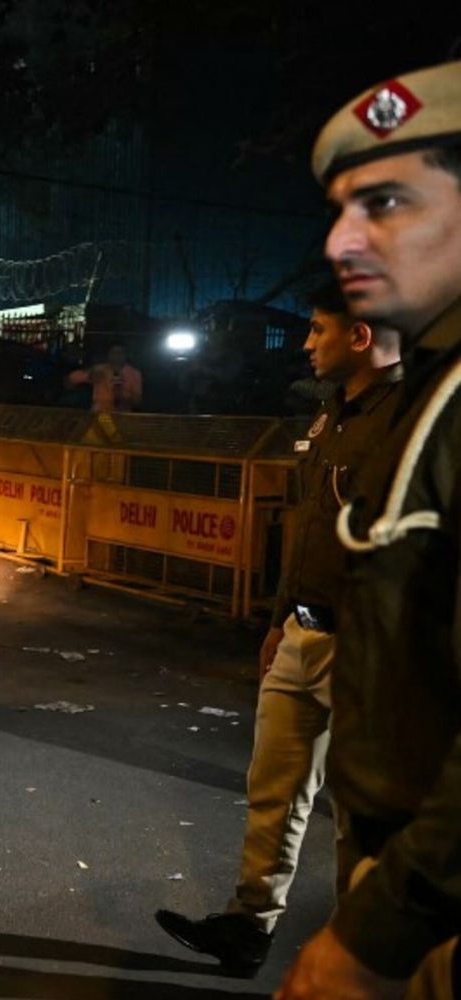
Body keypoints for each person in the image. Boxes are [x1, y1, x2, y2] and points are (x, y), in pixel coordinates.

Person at [278, 60, 461, 1000]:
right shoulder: (433, 392)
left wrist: (377, 933)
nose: (345, 239)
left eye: (386, 202)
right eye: (342, 207)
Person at [155, 285, 403, 976]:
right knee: (275, 790)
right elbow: (308, 530)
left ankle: (359, 958)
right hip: (301, 635)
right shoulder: (333, 415)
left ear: (359, 338)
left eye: (317, 330)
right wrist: (278, 619)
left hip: (370, 653)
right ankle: (248, 927)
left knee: (362, 815)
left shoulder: (413, 424)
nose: (304, 342)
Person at [67, 343, 143, 413]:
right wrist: (90, 376)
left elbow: (137, 401)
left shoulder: (134, 374)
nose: (117, 356)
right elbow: (71, 380)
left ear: (125, 355)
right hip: (99, 412)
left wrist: (123, 398)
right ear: (108, 354)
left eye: (120, 353)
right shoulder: (99, 370)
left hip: (124, 414)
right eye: (114, 353)